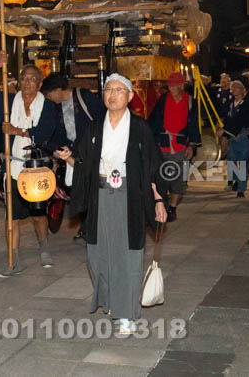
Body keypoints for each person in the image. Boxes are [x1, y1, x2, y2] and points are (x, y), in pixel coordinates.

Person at [60, 73, 168, 336]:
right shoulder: (95, 127)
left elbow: (152, 167)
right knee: (97, 255)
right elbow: (84, 163)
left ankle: (126, 313)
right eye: (108, 89)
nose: (112, 94)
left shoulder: (140, 128)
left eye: (119, 90)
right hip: (99, 195)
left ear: (130, 97)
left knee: (126, 256)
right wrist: (70, 159)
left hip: (129, 197)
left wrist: (158, 199)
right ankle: (111, 302)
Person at [0, 53, 67, 276]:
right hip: (14, 168)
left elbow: (44, 133)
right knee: (13, 217)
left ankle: (44, 248)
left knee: (38, 215)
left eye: (32, 79)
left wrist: (16, 131)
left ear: (39, 84)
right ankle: (13, 259)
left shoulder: (47, 106)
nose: (27, 82)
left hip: (38, 169)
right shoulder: (10, 101)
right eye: (24, 78)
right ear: (19, 82)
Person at [41, 73, 103, 242]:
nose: (48, 98)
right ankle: (86, 227)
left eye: (49, 94)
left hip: (91, 151)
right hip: (73, 153)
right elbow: (59, 133)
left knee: (92, 190)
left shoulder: (84, 97)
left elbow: (101, 121)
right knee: (79, 190)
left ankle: (93, 227)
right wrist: (56, 154)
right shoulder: (55, 107)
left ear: (59, 90)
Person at [147, 71, 200, 222]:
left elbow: (194, 125)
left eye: (175, 85)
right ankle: (160, 205)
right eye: (170, 86)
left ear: (182, 85)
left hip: (180, 146)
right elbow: (152, 121)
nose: (172, 88)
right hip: (162, 145)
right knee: (160, 178)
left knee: (179, 180)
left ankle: (173, 208)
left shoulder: (190, 102)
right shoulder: (163, 100)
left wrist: (192, 146)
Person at [221, 79, 249, 197]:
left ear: (243, 90)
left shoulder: (247, 104)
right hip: (233, 138)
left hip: (244, 137)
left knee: (243, 163)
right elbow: (227, 120)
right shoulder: (229, 104)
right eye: (233, 87)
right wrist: (225, 133)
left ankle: (241, 189)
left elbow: (243, 120)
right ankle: (238, 181)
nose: (234, 89)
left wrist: (227, 130)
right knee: (231, 162)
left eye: (237, 87)